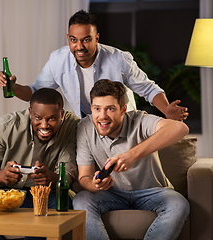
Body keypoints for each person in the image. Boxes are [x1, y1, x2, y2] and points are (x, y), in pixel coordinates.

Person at [0, 10, 188, 121]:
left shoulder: (119, 59)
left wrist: (166, 110)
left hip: (121, 123)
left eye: (86, 40)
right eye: (74, 40)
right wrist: (13, 88)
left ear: (97, 38)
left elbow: (147, 88)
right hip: (87, 124)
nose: (79, 46)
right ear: (68, 39)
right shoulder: (58, 59)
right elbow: (36, 92)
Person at [72, 79, 190, 240]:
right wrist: (94, 185)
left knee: (178, 204)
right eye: (97, 109)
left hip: (152, 191)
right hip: (111, 194)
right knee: (81, 200)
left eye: (110, 109)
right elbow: (84, 177)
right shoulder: (84, 128)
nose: (102, 116)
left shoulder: (139, 120)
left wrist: (131, 155)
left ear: (123, 110)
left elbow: (180, 128)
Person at [0, 88, 79, 209]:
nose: (44, 125)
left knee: (62, 201)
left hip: (42, 194)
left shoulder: (71, 126)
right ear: (30, 112)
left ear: (62, 114)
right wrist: (2, 176)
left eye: (52, 118)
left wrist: (49, 177)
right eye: (38, 117)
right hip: (3, 192)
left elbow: (67, 178)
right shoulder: (6, 126)